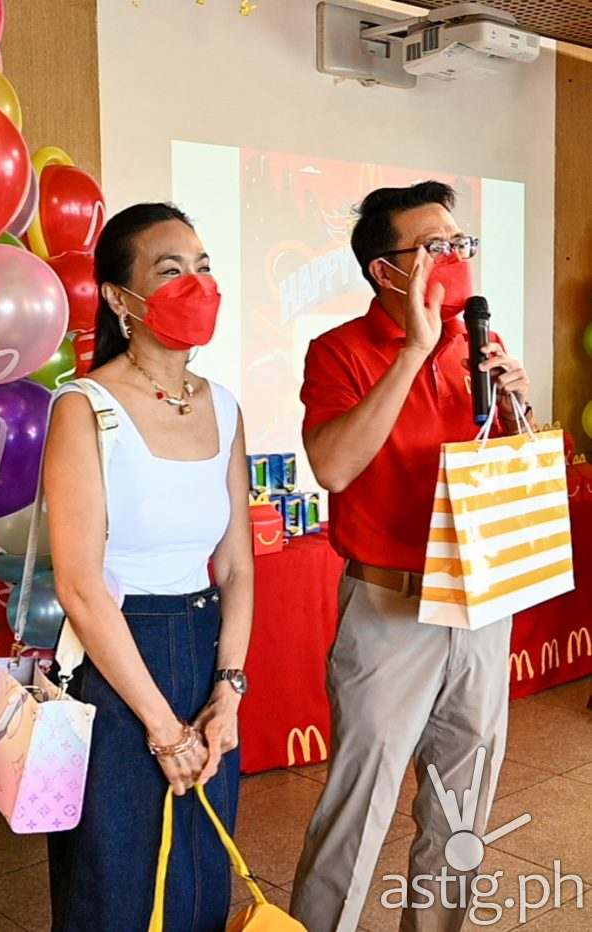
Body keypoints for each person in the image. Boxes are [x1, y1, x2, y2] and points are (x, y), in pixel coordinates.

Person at [289, 181, 533, 932]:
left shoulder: (479, 346)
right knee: (358, 807)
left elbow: (504, 472)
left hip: (481, 602)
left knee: (462, 807)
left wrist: (519, 410)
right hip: (390, 607)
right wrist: (414, 354)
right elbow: (333, 467)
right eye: (435, 246)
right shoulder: (338, 351)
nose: (455, 257)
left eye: (460, 243)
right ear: (385, 270)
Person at [43, 203, 255, 931]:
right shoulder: (85, 408)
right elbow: (79, 587)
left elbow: (237, 565)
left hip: (204, 650)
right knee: (118, 883)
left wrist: (228, 690)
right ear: (119, 297)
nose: (196, 284)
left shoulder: (223, 406)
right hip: (118, 663)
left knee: (199, 874)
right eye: (170, 271)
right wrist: (164, 729)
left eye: (203, 267)